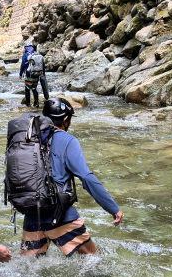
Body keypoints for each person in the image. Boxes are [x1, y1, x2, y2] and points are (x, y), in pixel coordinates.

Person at [20, 98, 123, 257]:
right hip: (60, 215)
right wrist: (113, 208)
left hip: (31, 214)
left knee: (28, 270)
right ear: (66, 119)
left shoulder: (29, 139)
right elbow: (86, 177)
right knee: (92, 259)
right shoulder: (68, 140)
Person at [18, 42, 48, 107]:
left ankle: (28, 104)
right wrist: (43, 72)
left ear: (26, 48)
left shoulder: (25, 55)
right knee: (34, 89)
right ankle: (36, 103)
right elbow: (42, 64)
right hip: (37, 74)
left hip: (29, 74)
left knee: (27, 89)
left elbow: (23, 65)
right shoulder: (37, 54)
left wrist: (21, 74)